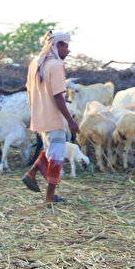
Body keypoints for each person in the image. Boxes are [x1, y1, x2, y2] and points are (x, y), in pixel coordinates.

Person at [22, 30, 81, 203]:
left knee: (52, 151)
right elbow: (58, 96)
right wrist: (70, 121)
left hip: (39, 116)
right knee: (57, 156)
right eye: (66, 47)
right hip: (53, 118)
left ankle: (32, 174)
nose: (68, 51)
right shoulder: (55, 65)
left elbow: (29, 90)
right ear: (58, 45)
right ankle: (49, 195)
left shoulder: (35, 64)